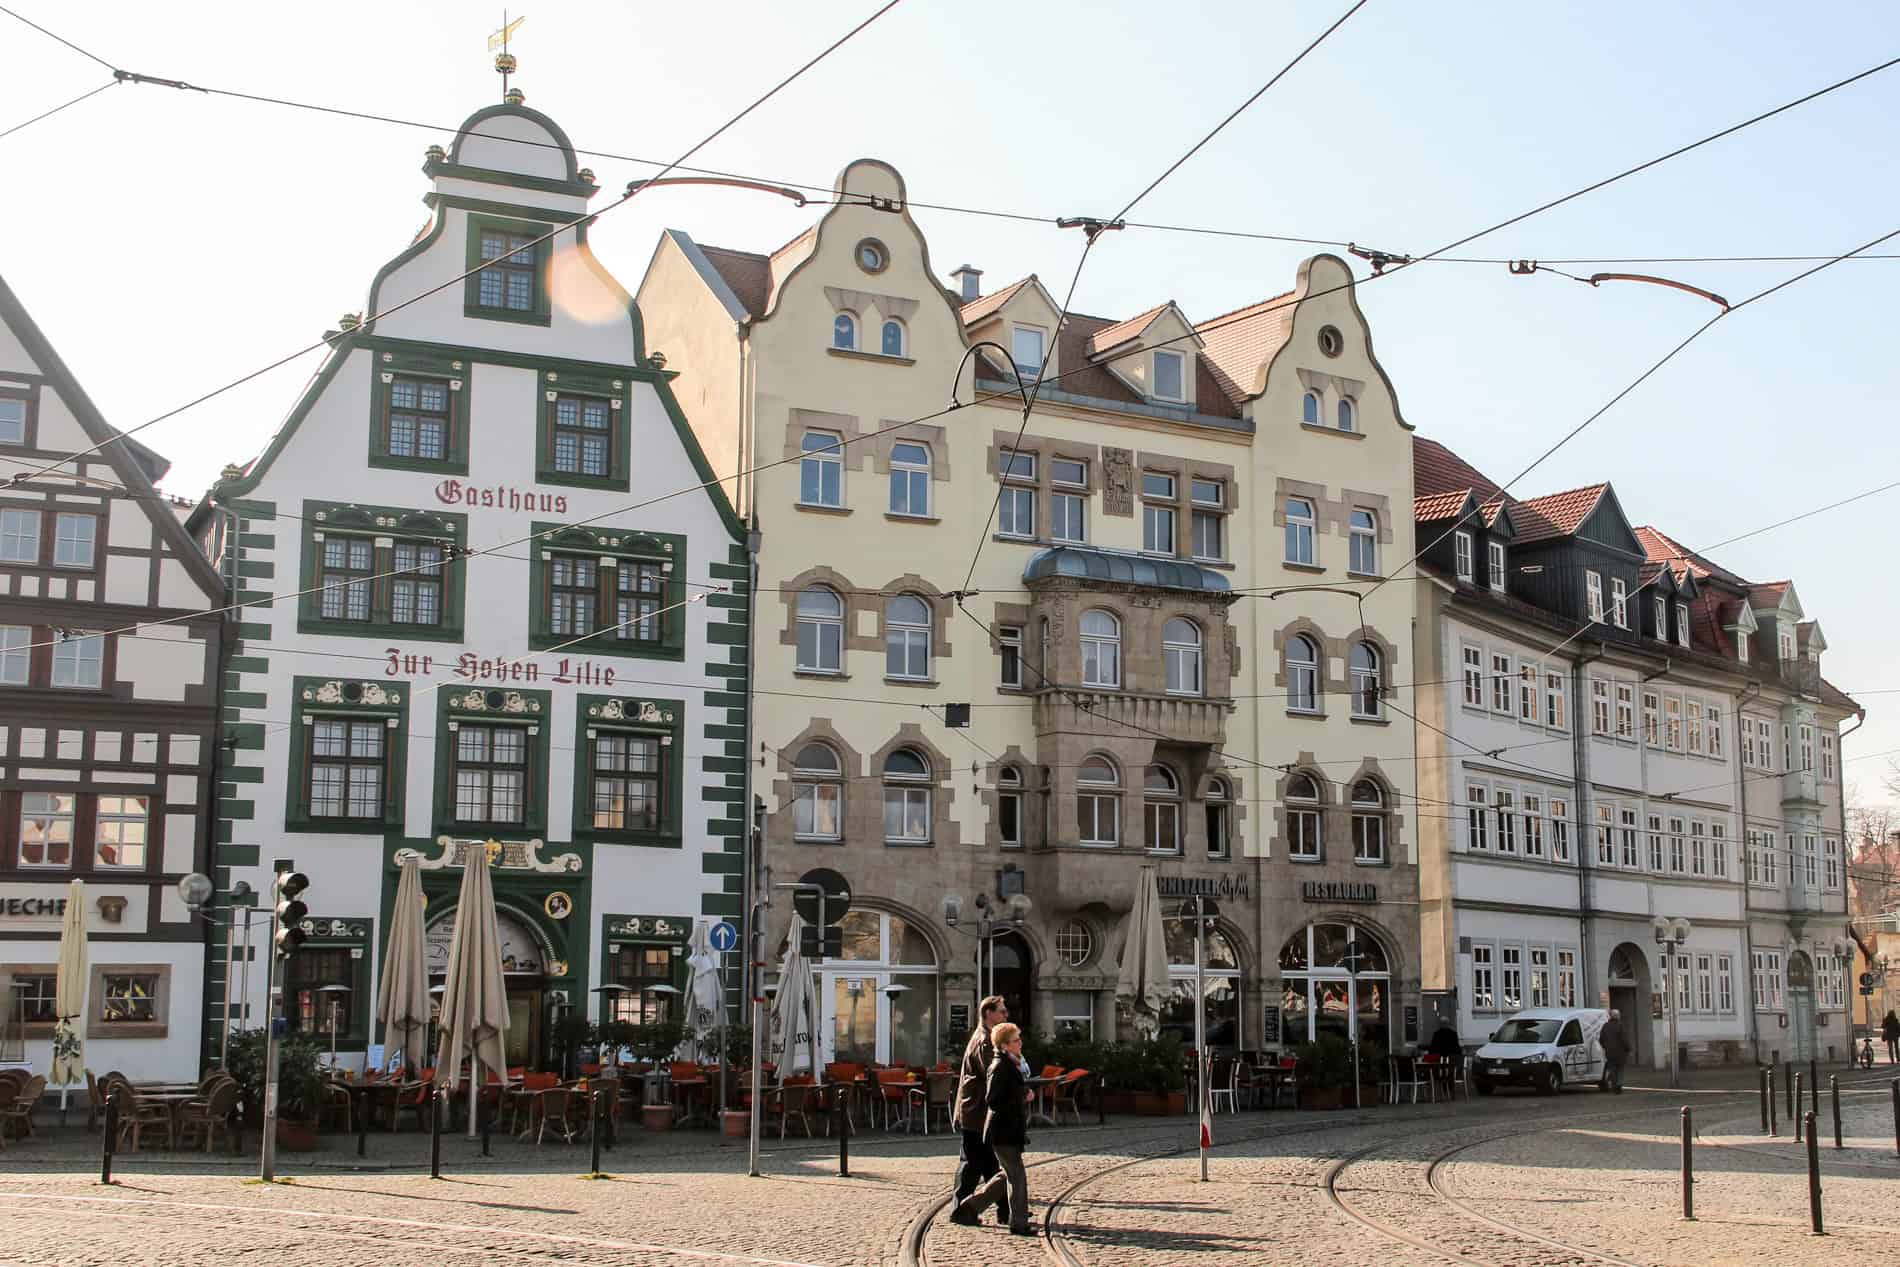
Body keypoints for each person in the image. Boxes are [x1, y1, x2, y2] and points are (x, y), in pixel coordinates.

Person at [950, 1021, 1035, 1236]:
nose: (1020, 1043)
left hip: (1009, 1129)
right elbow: (993, 1099)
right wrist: (1021, 1095)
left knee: (1007, 1175)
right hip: (1003, 1130)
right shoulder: (999, 1066)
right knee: (1017, 1176)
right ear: (1005, 1045)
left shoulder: (1010, 1063)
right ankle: (1018, 1223)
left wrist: (1020, 1093)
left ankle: (970, 1207)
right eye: (1016, 1040)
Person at [950, 996, 1005, 1212]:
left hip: (977, 1112)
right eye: (1001, 1011)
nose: (1005, 1015)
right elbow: (993, 1074)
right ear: (988, 1013)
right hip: (976, 1113)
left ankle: (1006, 1208)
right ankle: (959, 1208)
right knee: (972, 1165)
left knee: (990, 1164)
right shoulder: (985, 1040)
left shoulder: (983, 1036)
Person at [1598, 1009, 1629, 1093]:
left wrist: (1606, 1047)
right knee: (1620, 1069)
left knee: (1612, 1069)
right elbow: (1624, 1039)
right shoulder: (1620, 1026)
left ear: (1611, 1016)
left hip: (1609, 1052)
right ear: (1617, 1016)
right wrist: (1628, 1048)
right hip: (1620, 1052)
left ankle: (1614, 1085)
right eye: (1619, 1015)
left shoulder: (1605, 1026)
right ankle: (1618, 1085)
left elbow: (1601, 1039)